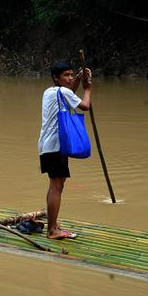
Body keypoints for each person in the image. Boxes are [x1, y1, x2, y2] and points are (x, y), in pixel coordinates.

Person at [37, 61, 92, 239]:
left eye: (71, 75)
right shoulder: (63, 92)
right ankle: (52, 230)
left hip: (48, 146)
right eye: (66, 75)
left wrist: (77, 78)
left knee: (57, 185)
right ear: (56, 77)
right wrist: (88, 88)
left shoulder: (50, 92)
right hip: (56, 146)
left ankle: (53, 224)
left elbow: (69, 94)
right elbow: (84, 105)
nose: (69, 78)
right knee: (56, 186)